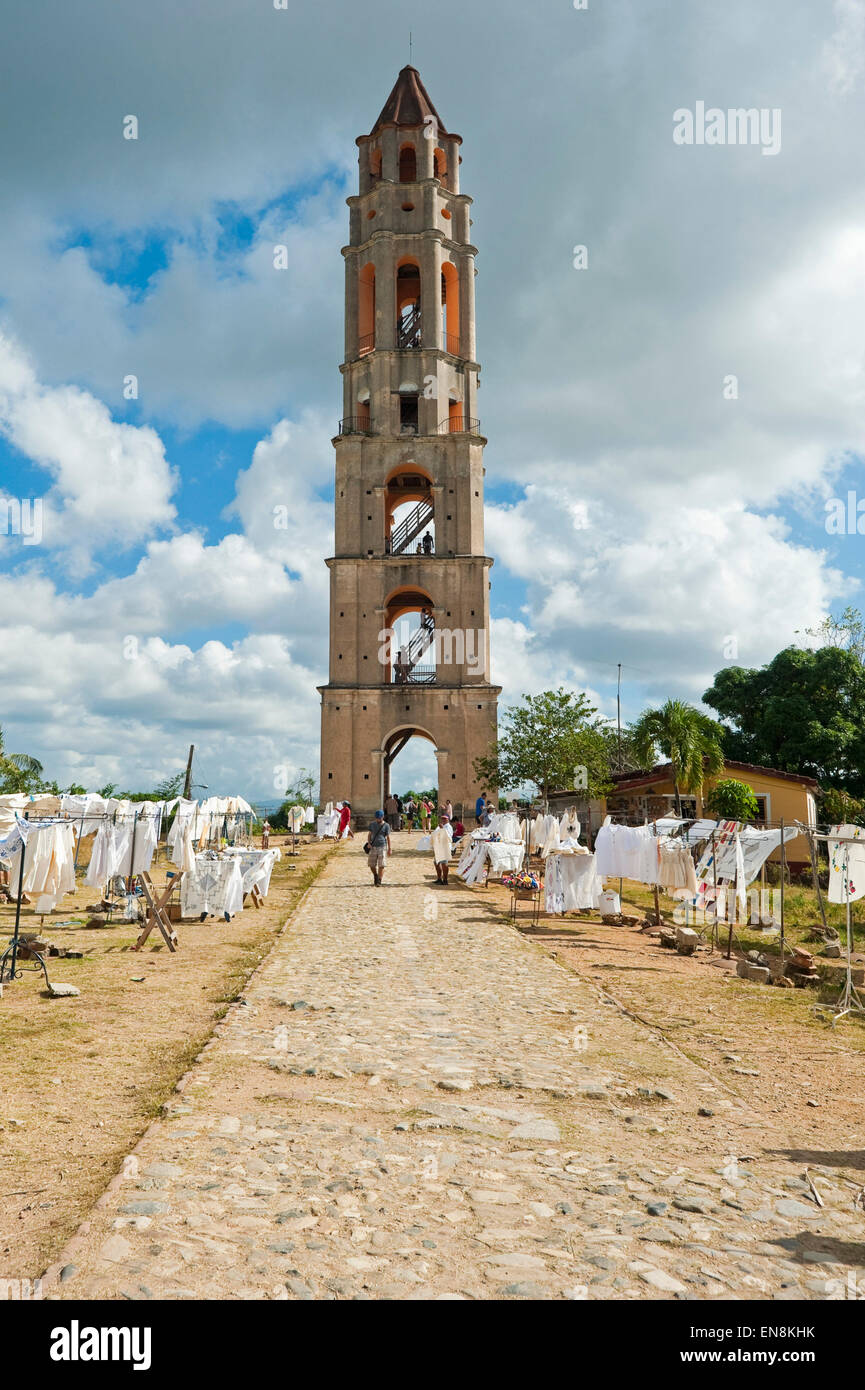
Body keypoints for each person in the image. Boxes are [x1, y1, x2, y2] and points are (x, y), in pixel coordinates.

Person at [365, 811, 391, 886]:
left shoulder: (386, 825)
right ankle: (375, 875)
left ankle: (379, 880)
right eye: (377, 818)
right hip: (373, 846)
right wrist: (369, 843)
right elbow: (369, 834)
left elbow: (388, 837)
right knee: (371, 865)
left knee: (381, 865)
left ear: (383, 817)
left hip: (382, 846)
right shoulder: (372, 824)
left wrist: (389, 848)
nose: (378, 819)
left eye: (379, 818)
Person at [432, 813, 453, 884]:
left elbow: (448, 836)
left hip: (445, 847)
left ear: (448, 819)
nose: (443, 820)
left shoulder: (448, 827)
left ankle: (445, 880)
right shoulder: (441, 826)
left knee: (444, 864)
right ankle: (439, 878)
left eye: (445, 818)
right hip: (439, 846)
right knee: (436, 863)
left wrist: (442, 829)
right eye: (442, 818)